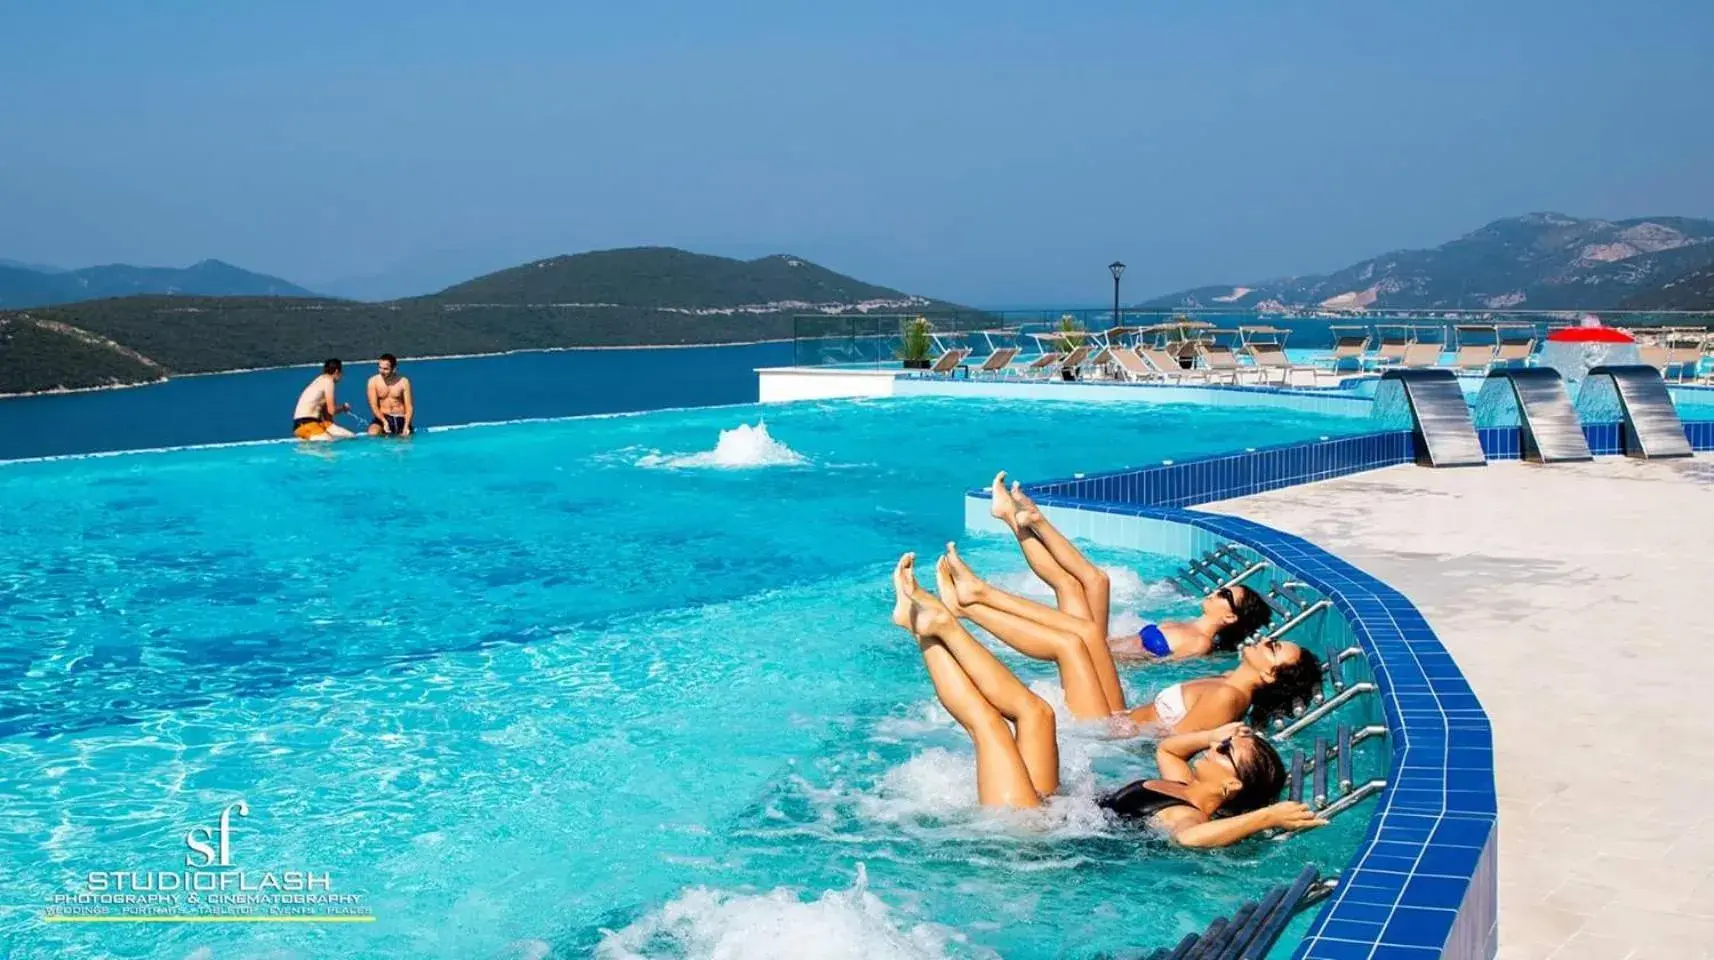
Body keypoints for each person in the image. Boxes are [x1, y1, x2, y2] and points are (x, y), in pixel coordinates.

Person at [890, 552, 1322, 846]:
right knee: (1036, 712)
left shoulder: (1187, 815)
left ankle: (936, 626)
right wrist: (1218, 731)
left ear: (1231, 786)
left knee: (989, 726)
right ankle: (927, 621)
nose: (1215, 746)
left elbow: (1192, 840)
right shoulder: (1183, 780)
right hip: (1054, 805)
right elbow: (1170, 745)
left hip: (1031, 833)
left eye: (1225, 751)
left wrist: (1267, 816)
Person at [292, 359, 355, 441]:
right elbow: (331, 410)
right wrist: (343, 407)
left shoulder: (319, 380)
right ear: (336, 371)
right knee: (328, 444)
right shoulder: (329, 382)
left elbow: (327, 417)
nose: (341, 375)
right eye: (341, 372)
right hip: (307, 424)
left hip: (302, 425)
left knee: (350, 436)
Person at [365, 354, 415, 437]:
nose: (382, 371)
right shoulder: (373, 381)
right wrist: (384, 421)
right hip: (383, 417)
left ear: (394, 369)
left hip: (400, 417)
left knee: (405, 440)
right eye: (380, 368)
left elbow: (409, 406)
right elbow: (373, 406)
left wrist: (406, 426)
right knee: (372, 433)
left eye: (386, 369)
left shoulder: (403, 382)